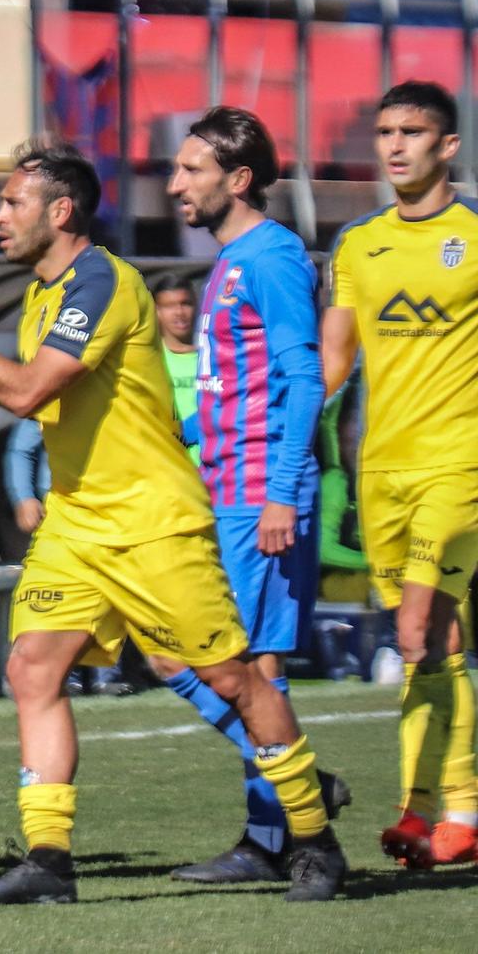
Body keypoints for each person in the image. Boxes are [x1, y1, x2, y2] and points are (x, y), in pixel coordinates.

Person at [0, 141, 345, 903]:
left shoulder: (102, 279)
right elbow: (49, 393)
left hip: (151, 522)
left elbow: (31, 392)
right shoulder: (44, 293)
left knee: (232, 676)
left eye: (11, 202)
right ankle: (48, 861)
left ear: (59, 210)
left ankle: (315, 841)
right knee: (32, 667)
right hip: (78, 522)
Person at [162, 105, 344, 882]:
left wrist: (277, 497)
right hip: (222, 488)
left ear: (237, 180)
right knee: (196, 654)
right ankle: (280, 818)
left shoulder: (270, 259)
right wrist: (173, 443)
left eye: (189, 170)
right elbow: (230, 393)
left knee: (239, 666)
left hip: (257, 497)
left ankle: (289, 826)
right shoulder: (232, 260)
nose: (175, 185)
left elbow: (305, 383)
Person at [321, 79, 478, 869]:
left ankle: (460, 805)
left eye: (412, 131)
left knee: (419, 630)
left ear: (448, 145)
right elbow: (334, 360)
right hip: (380, 467)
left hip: (461, 463)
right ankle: (427, 812)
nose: (394, 144)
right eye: (385, 130)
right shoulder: (357, 242)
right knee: (431, 642)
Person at [154, 274, 202, 459]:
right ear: (156, 310)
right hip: (169, 471)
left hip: (212, 474)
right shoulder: (151, 360)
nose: (179, 312)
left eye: (185, 303)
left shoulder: (213, 358)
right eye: (169, 306)